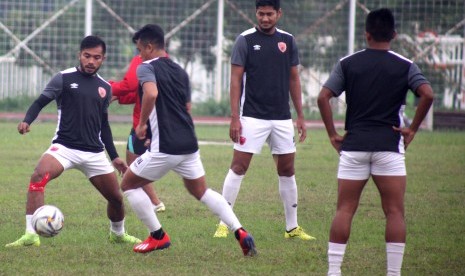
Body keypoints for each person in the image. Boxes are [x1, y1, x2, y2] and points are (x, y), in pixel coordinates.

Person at [119, 24, 257, 256]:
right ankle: (240, 231)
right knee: (201, 191)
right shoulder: (180, 71)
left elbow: (151, 93)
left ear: (150, 47)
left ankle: (157, 236)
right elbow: (187, 107)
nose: (139, 55)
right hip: (189, 145)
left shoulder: (145, 68)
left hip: (165, 146)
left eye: (140, 50)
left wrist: (142, 123)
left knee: (128, 184)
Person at [317, 8, 434, 276]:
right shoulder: (405, 65)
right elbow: (427, 94)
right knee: (394, 212)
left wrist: (333, 135)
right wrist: (412, 129)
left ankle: (333, 272)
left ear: (366, 34)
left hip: (354, 145)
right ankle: (393, 273)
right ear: (394, 34)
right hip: (389, 146)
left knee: (344, 209)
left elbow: (323, 97)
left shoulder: (348, 63)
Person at [6, 35, 141, 248]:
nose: (91, 61)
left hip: (94, 152)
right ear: (80, 54)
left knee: (116, 198)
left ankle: (118, 234)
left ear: (103, 59)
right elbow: (40, 101)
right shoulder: (63, 78)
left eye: (96, 57)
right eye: (87, 56)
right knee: (38, 176)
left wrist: (114, 157)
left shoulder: (105, 88)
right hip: (64, 147)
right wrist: (26, 120)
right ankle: (31, 234)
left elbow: (103, 125)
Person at [212, 0, 315, 241]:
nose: (265, 18)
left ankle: (292, 228)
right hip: (251, 117)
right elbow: (235, 80)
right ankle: (224, 223)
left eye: (270, 14)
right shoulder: (245, 40)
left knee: (287, 170)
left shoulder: (288, 41)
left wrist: (300, 116)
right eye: (261, 14)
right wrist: (234, 117)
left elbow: (293, 79)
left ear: (279, 13)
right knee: (238, 167)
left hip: (281, 118)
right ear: (256, 13)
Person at [110, 54, 166, 213]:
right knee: (134, 163)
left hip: (144, 124)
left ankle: (155, 203)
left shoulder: (142, 60)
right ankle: (154, 202)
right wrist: (117, 97)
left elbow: (130, 85)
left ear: (148, 45)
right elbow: (136, 91)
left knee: (133, 170)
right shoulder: (168, 63)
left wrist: (107, 88)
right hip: (150, 122)